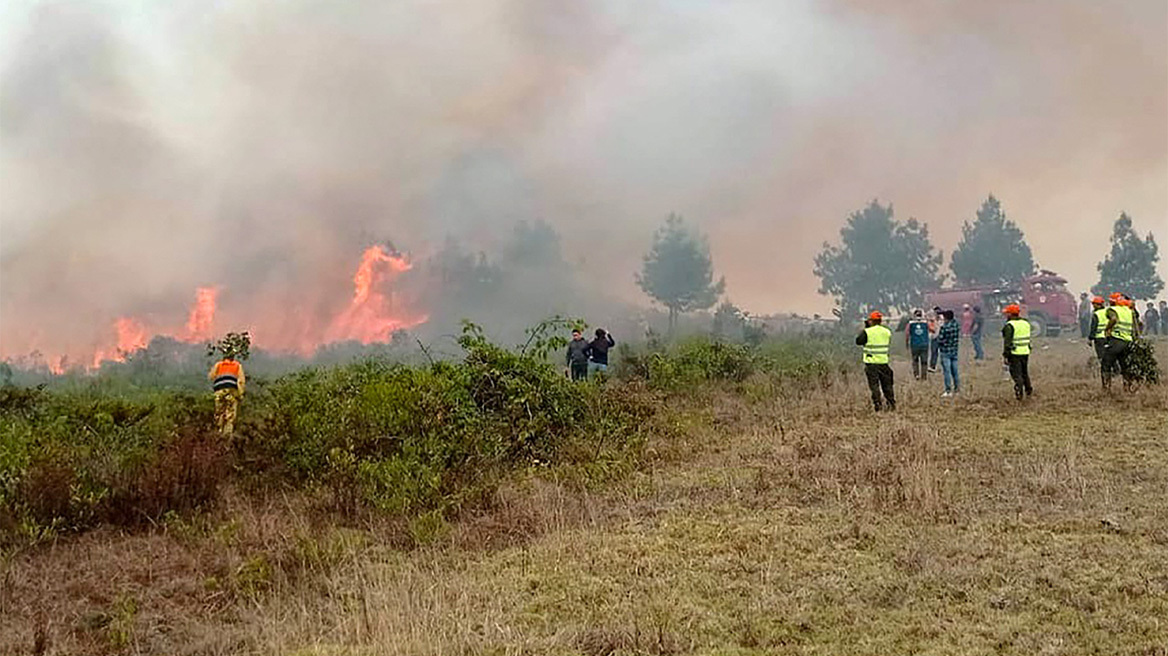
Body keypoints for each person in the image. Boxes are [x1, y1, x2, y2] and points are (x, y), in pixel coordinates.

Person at [856, 311, 895, 411]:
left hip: (871, 363)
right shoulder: (887, 331)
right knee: (887, 385)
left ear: (871, 321)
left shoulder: (868, 332)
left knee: (874, 386)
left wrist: (866, 328)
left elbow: (858, 341)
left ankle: (878, 405)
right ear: (880, 321)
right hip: (884, 363)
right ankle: (891, 404)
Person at [1101, 294, 1136, 390]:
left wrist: (1107, 329)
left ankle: (1106, 388)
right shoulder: (1128, 311)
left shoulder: (1113, 310)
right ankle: (1127, 387)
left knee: (1106, 364)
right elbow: (1139, 323)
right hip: (1128, 341)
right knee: (1125, 366)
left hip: (1116, 340)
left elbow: (1113, 319)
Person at [1001, 304, 1033, 401]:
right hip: (1025, 351)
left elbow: (1007, 342)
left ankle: (1019, 394)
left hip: (1014, 353)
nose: (1006, 315)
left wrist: (1005, 355)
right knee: (1024, 372)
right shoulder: (1026, 323)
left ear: (1011, 314)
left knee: (1016, 374)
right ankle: (1028, 390)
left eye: (1007, 313)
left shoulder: (1009, 325)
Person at [209, 354, 245, 435]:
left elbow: (211, 376)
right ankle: (227, 435)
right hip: (231, 392)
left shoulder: (218, 365)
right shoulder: (237, 366)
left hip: (219, 391)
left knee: (219, 412)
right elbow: (241, 381)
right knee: (230, 415)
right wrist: (240, 394)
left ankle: (218, 432)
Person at [1087, 296, 1110, 387]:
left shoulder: (1096, 314)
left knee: (1101, 356)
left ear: (1098, 305)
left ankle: (1105, 372)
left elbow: (1093, 327)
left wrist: (1090, 338)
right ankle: (1114, 370)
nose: (1093, 306)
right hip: (1108, 337)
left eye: (1094, 304)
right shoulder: (1107, 312)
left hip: (1099, 338)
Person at [937, 309, 961, 397]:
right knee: (955, 371)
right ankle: (957, 390)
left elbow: (940, 340)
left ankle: (948, 391)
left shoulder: (944, 327)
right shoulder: (956, 325)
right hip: (954, 351)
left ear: (946, 318)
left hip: (945, 352)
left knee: (947, 372)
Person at [905, 309, 930, 380]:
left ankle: (916, 375)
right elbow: (932, 329)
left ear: (914, 315)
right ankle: (924, 376)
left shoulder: (911, 323)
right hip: (924, 344)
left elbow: (907, 333)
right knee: (924, 361)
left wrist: (906, 343)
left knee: (915, 360)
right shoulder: (925, 322)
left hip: (914, 344)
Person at [928, 306, 943, 373]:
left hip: (941, 337)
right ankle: (932, 366)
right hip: (934, 337)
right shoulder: (932, 319)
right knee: (934, 352)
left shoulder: (942, 319)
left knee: (942, 353)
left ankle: (942, 367)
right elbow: (930, 327)